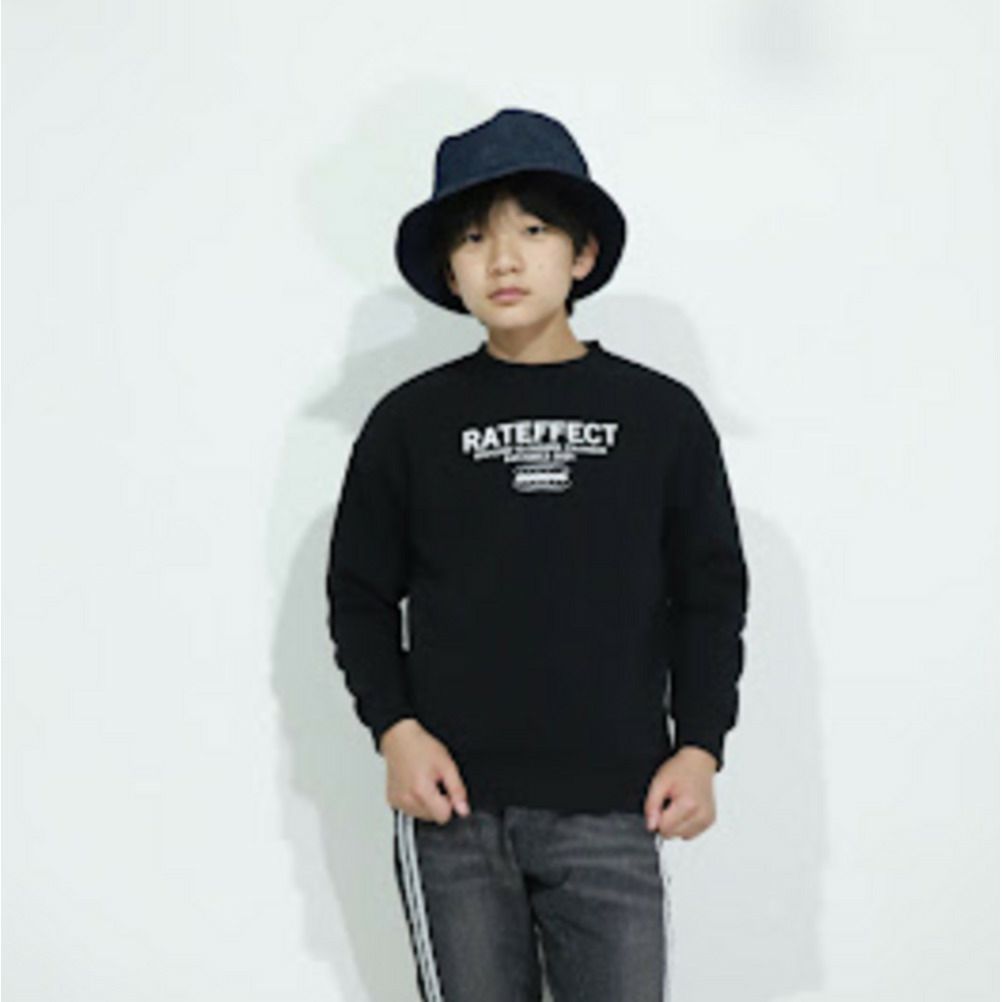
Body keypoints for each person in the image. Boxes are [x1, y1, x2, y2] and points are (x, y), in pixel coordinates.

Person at [325, 107, 749, 1002]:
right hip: (455, 808)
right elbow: (358, 592)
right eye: (473, 237)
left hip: (615, 803)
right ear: (449, 270)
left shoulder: (660, 417)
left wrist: (701, 746)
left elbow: (710, 593)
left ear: (582, 253)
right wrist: (395, 729)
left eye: (533, 230)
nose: (504, 260)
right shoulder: (410, 423)